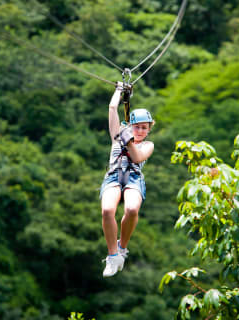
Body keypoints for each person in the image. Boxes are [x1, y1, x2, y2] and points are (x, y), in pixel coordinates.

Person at [100, 82, 155, 277]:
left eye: (144, 128)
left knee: (131, 209)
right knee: (107, 210)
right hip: (114, 175)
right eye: (137, 127)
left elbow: (138, 158)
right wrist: (119, 90)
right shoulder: (117, 136)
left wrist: (128, 140)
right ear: (130, 125)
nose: (140, 131)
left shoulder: (148, 145)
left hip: (133, 177)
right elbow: (112, 108)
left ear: (148, 130)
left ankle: (122, 248)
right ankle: (112, 256)